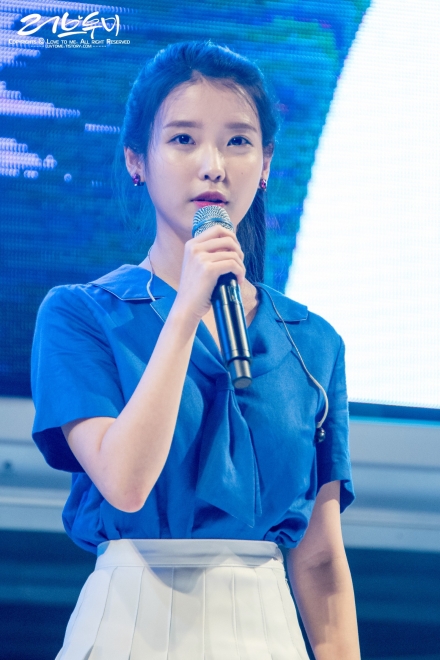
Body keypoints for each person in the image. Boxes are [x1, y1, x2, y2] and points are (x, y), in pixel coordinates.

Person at [31, 41, 360, 660]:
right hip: (131, 622)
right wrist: (186, 309)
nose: (213, 165)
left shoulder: (313, 342)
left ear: (266, 163)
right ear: (137, 159)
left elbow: (319, 558)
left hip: (267, 629)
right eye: (183, 139)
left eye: (238, 142)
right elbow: (126, 483)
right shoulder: (81, 315)